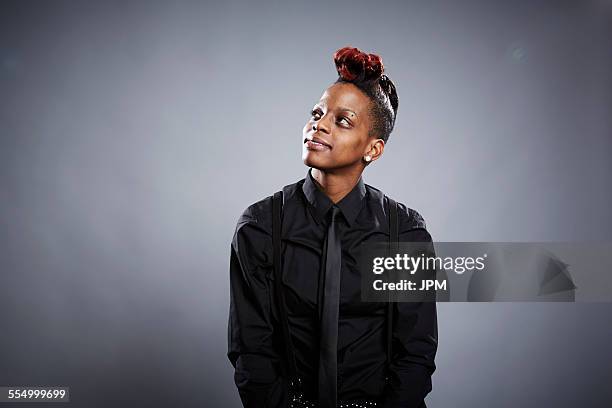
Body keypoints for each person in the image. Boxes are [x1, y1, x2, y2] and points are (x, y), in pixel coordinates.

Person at [228, 46, 438, 408]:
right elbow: (252, 351)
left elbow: (415, 355)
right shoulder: (260, 226)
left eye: (342, 121)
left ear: (373, 149)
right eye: (317, 113)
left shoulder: (405, 233)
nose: (319, 125)